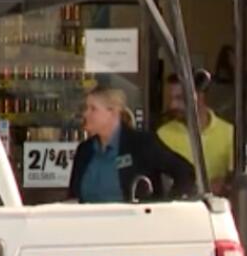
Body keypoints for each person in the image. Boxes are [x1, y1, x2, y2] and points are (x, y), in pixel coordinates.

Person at [67, 87, 195, 203]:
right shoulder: (85, 150)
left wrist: (166, 206)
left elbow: (185, 172)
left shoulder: (141, 144)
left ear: (113, 112)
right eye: (86, 108)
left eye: (93, 109)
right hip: (89, 224)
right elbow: (74, 196)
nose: (86, 114)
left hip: (132, 224)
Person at [156, 70, 235, 195]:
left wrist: (225, 183)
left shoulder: (229, 133)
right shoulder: (162, 135)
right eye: (171, 99)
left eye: (179, 98)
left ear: (199, 96)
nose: (172, 105)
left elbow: (236, 178)